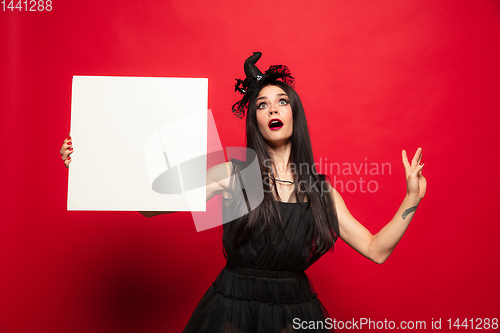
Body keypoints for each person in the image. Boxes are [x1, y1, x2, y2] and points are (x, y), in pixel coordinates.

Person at [60, 52, 426, 332]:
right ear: (255, 120)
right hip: (231, 309)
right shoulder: (234, 175)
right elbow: (152, 208)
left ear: (295, 115)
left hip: (294, 312)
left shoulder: (321, 191)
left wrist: (411, 198)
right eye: (262, 105)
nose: (272, 109)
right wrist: (89, 164)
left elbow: (376, 250)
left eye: (282, 101)